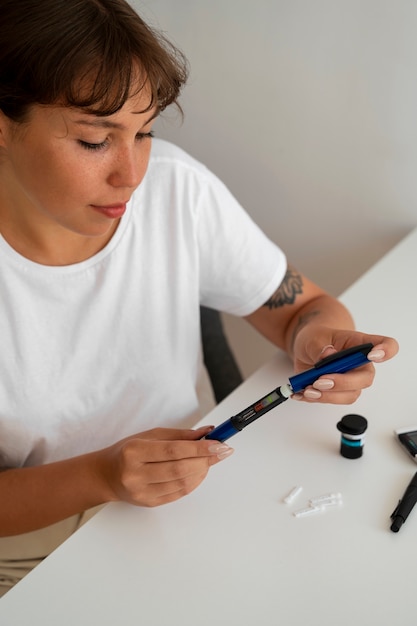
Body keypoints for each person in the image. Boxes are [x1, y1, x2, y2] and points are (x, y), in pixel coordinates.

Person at [0, 0, 398, 595]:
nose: (132, 174)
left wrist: (314, 340)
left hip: (198, 494)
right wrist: (103, 475)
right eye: (93, 141)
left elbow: (300, 307)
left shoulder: (174, 191)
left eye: (145, 133)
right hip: (39, 545)